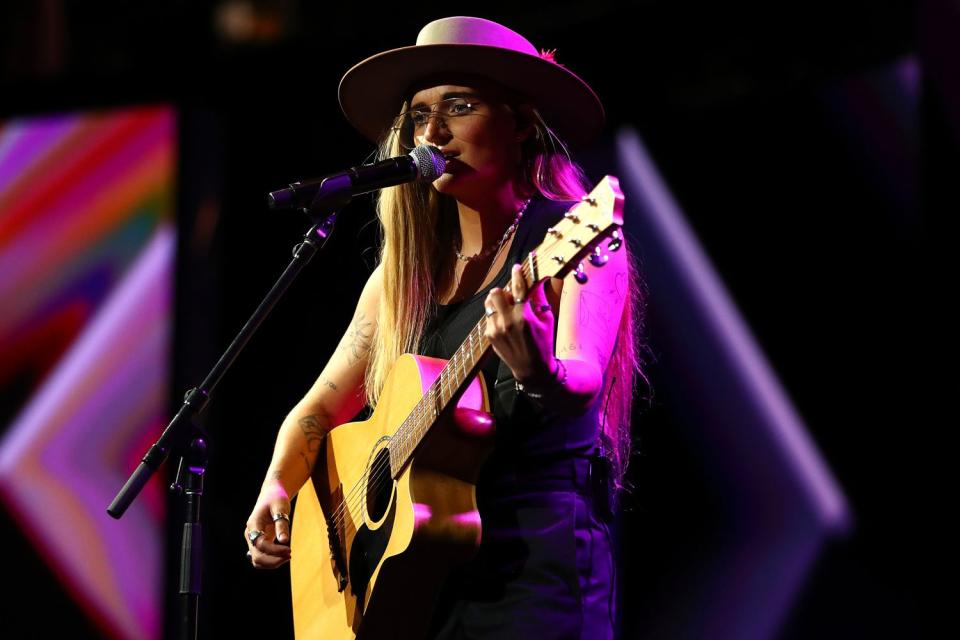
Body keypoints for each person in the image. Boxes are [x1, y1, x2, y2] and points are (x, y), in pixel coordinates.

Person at [244, 15, 643, 639]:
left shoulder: (574, 239)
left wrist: (538, 369)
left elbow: (583, 379)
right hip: (417, 583)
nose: (432, 133)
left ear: (520, 123)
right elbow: (319, 409)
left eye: (459, 106)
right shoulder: (402, 278)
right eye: (419, 116)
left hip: (535, 569)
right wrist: (279, 483)